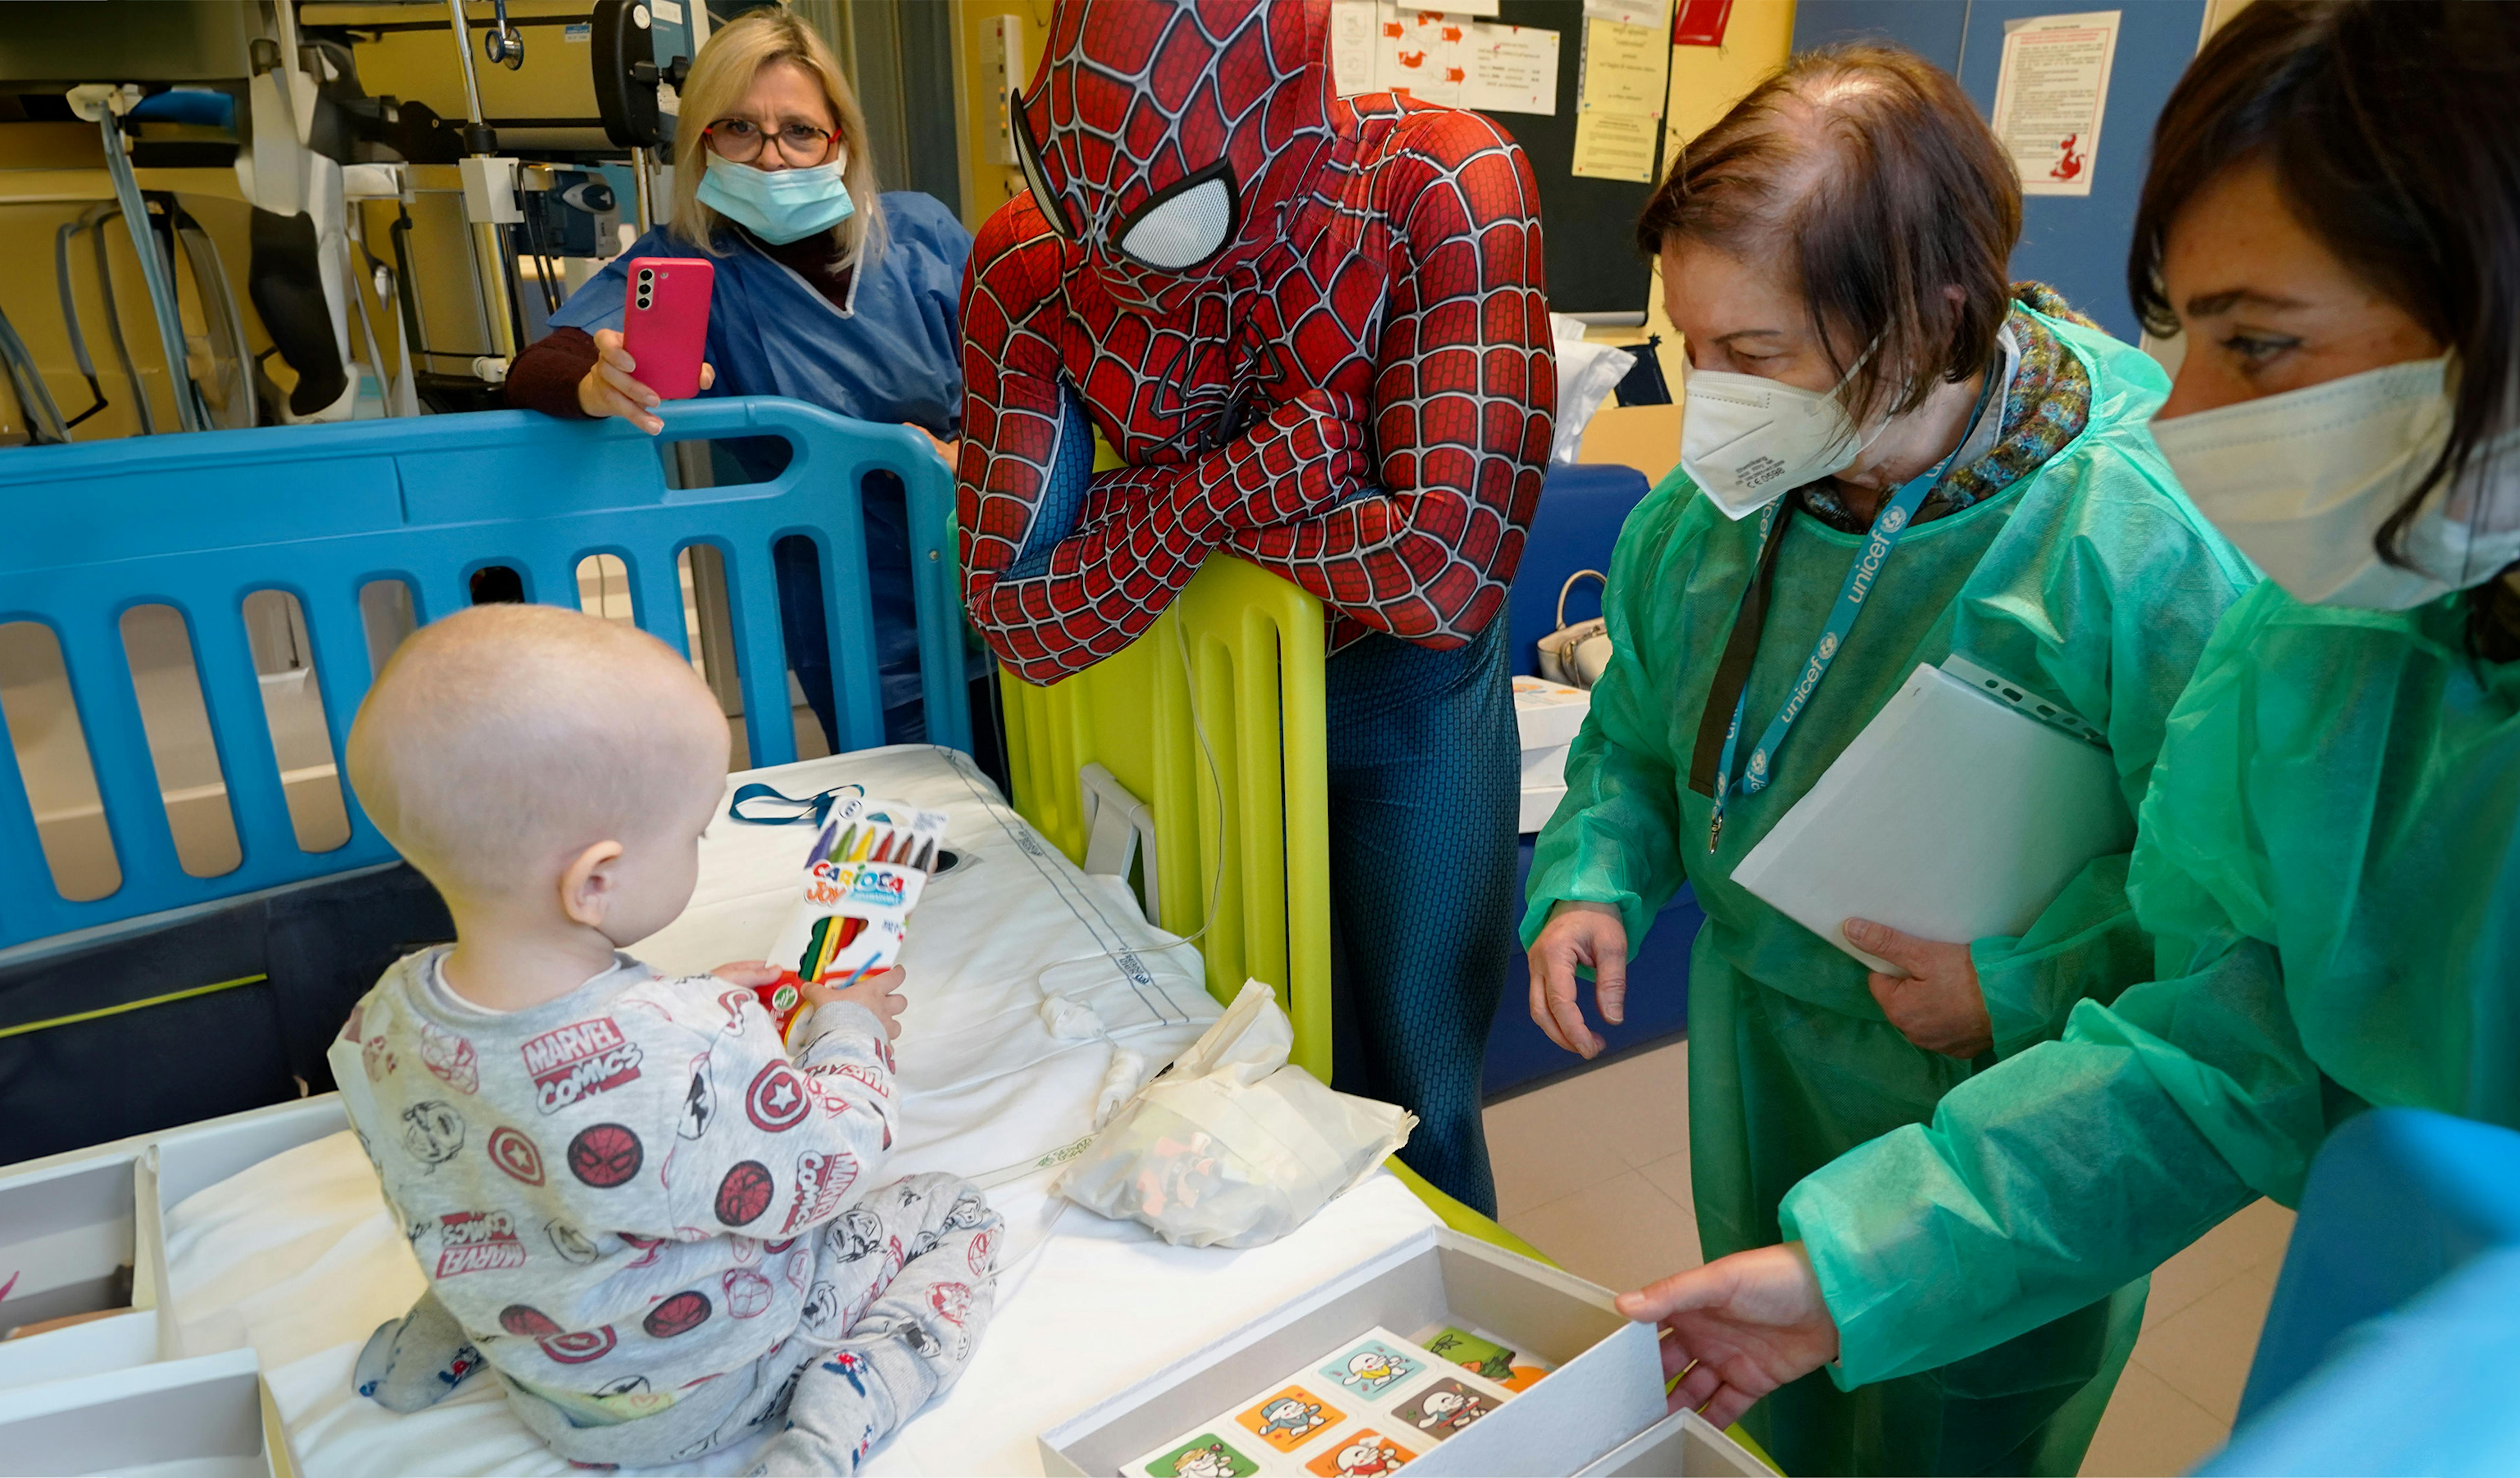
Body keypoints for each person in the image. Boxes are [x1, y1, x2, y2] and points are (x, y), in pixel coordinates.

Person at [1619, 0, 2520, 1448]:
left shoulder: (2142, 546)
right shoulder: (2335, 650)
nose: (2181, 418)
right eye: (2177, 334)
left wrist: (2006, 985)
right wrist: (1855, 1267)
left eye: (2256, 346)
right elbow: (2209, 1047)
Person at [1520, 45, 2260, 1476]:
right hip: (1759, 1039)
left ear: (1923, 321)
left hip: (2002, 1094)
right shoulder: (1721, 507)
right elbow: (1634, 730)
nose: (1712, 405)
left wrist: (2022, 982)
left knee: (1952, 1426)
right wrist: (1595, 875)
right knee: (1773, 1369)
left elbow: (2227, 918)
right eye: (1692, 348)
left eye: (1757, 356)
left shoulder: (2132, 541)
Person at [956, 0, 1555, 1216]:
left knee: (1418, 1087)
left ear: (1287, 130)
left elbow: (1446, 576)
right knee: (1210, 1059)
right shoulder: (1033, 256)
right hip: (1202, 703)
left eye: (1167, 220)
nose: (1113, 267)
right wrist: (1243, 481)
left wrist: (1142, 521)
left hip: (1403, 697)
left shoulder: (1442, 180)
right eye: (1071, 200)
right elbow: (1016, 617)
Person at [328, 603, 1000, 1473]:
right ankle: (834, 1424)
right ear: (596, 882)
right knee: (955, 1211)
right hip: (709, 1387)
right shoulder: (689, 1047)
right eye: (691, 836)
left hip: (542, 1374)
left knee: (482, 1197)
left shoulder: (383, 1018)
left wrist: (704, 999)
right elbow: (830, 1162)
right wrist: (852, 1027)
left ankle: (432, 1346)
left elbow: (522, 1110)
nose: (695, 850)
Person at [507, 6, 981, 758]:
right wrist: (598, 383)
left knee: (1036, 802)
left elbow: (1024, 371)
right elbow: (541, 365)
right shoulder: (687, 268)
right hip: (846, 595)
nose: (771, 158)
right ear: (702, 142)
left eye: (798, 130)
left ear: (841, 142)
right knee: (914, 808)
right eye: (738, 129)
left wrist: (972, 461)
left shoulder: (921, 233)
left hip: (989, 553)